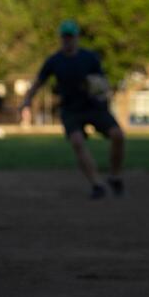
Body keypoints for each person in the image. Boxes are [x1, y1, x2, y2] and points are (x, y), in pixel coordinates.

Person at [20, 19, 126, 199]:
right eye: (65, 37)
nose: (68, 40)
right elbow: (38, 82)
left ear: (77, 37)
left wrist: (99, 89)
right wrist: (26, 101)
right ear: (61, 38)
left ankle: (114, 176)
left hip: (94, 106)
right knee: (77, 141)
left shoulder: (89, 57)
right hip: (71, 109)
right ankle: (97, 184)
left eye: (71, 36)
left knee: (118, 135)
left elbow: (102, 82)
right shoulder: (54, 61)